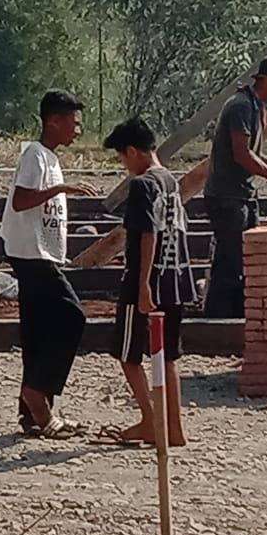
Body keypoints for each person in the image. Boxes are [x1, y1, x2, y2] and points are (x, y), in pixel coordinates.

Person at [0, 89, 98, 437]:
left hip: (40, 252)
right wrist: (60, 190)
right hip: (31, 253)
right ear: (53, 121)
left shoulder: (50, 158)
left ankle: (34, 412)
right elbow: (21, 201)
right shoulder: (35, 156)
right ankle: (37, 391)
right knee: (72, 316)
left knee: (38, 330)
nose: (77, 130)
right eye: (74, 122)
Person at [100, 117, 195, 446]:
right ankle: (174, 428)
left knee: (128, 355)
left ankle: (151, 421)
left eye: (122, 158)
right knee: (167, 356)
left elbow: (148, 234)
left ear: (132, 151)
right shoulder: (170, 181)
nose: (124, 166)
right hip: (174, 279)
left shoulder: (143, 185)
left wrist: (143, 283)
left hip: (148, 280)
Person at [202, 55, 267, 318]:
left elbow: (253, 152)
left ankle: (229, 316)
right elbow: (242, 155)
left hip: (242, 195)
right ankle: (221, 320)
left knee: (242, 258)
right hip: (227, 196)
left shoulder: (256, 107)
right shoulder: (240, 106)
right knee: (233, 262)